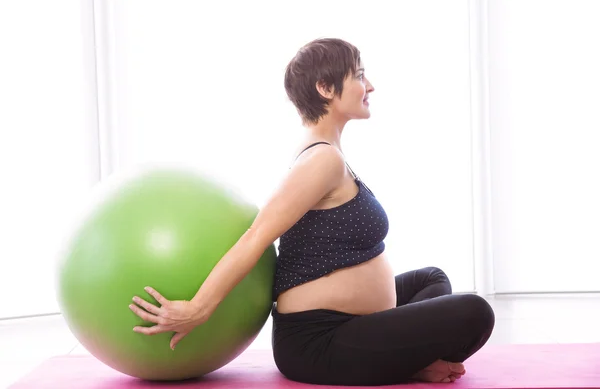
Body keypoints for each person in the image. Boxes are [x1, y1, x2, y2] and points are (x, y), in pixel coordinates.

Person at [128, 38, 496, 386]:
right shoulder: (321, 160)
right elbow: (257, 236)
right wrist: (197, 308)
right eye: (360, 76)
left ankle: (403, 358)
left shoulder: (329, 155)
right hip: (318, 341)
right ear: (325, 88)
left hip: (353, 325)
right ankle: (411, 362)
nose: (370, 86)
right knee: (474, 313)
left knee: (430, 278)